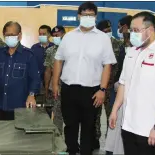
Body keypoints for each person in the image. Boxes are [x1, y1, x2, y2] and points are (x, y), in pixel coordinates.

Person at [109, 11, 155, 155]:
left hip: (150, 129)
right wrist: (115, 110)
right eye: (131, 30)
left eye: (136, 30)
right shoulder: (132, 52)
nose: (132, 34)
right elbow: (123, 83)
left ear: (150, 30)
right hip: (128, 125)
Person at [52, 2, 117, 154]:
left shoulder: (103, 39)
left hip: (92, 91)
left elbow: (108, 65)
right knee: (70, 126)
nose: (88, 17)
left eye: (91, 15)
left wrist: (102, 89)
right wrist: (55, 83)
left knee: (89, 127)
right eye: (84, 15)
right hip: (69, 89)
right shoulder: (68, 37)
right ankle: (72, 151)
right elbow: (58, 60)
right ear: (78, 16)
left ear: (95, 17)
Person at [0, 21, 40, 120]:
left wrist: (31, 95)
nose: (9, 37)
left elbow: (35, 78)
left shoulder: (29, 55)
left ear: (19, 36)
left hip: (19, 105)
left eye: (12, 35)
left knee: (17, 135)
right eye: (7, 35)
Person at [104, 15, 133, 155]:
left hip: (130, 92)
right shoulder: (123, 45)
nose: (118, 30)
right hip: (117, 88)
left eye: (119, 27)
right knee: (113, 120)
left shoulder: (136, 46)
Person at [93, 19, 123, 150]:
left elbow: (121, 66)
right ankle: (95, 140)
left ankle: (110, 144)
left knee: (112, 115)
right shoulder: (94, 44)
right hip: (97, 87)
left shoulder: (118, 44)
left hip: (113, 88)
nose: (108, 33)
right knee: (95, 116)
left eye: (109, 31)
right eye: (105, 31)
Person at [44, 25, 66, 134]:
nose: (56, 37)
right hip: (56, 87)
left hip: (69, 87)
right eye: (54, 36)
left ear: (64, 34)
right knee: (57, 114)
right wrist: (46, 87)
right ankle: (57, 138)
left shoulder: (71, 49)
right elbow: (48, 71)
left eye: (58, 35)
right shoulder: (50, 51)